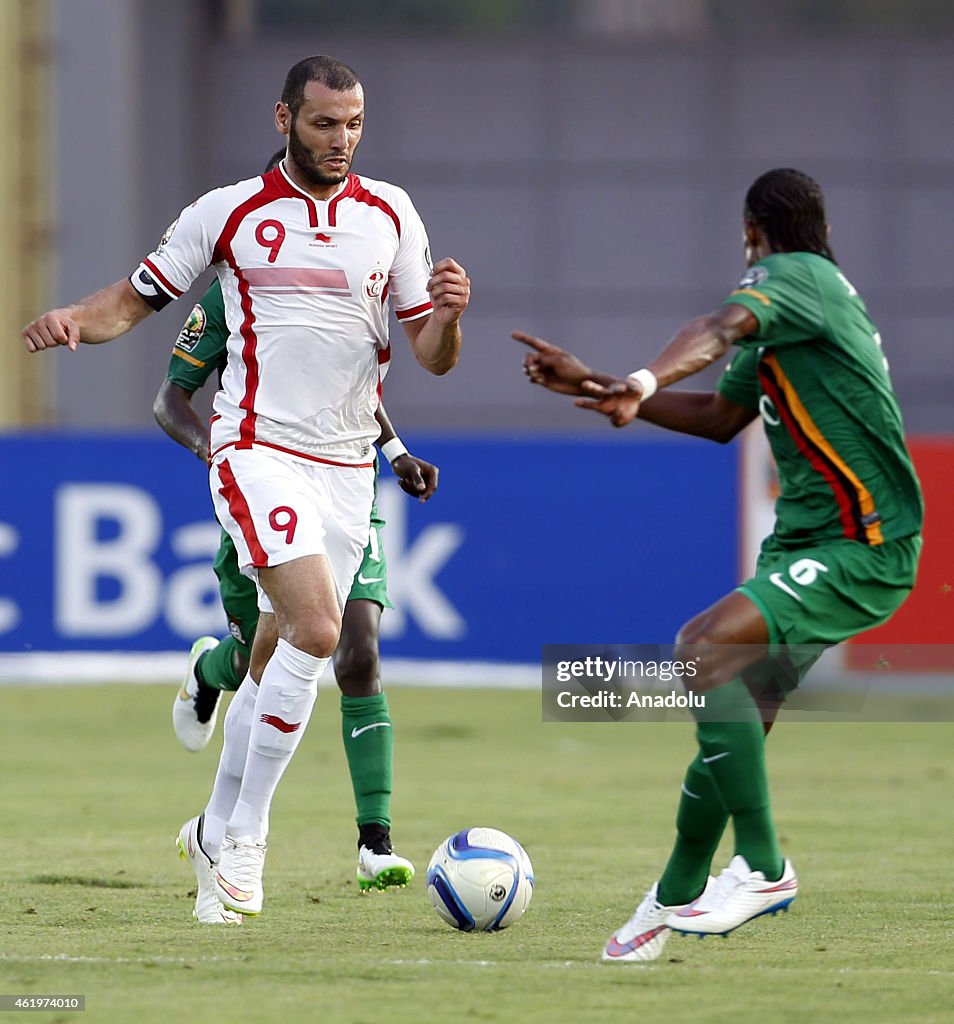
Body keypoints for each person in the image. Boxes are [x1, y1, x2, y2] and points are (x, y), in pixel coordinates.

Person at [23, 54, 470, 925]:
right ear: (283, 119)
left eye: (354, 125)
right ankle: (248, 840)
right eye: (324, 124)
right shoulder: (227, 213)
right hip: (255, 446)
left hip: (348, 465)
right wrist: (79, 319)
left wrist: (450, 317)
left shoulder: (390, 216)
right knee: (319, 628)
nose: (341, 140)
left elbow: (430, 355)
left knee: (272, 661)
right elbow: (134, 297)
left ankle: (211, 828)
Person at [516, 167, 922, 962]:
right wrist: (604, 384)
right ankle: (672, 896)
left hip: (863, 543)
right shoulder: (801, 311)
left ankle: (765, 870)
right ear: (826, 227)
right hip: (810, 543)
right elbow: (721, 416)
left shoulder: (796, 279)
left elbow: (720, 324)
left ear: (751, 235)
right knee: (734, 727)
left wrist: (637, 379)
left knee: (701, 648)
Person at [153, 176, 440, 913]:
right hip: (259, 471)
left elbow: (346, 384)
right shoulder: (230, 292)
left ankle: (363, 841)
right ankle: (225, 780)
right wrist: (223, 455)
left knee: (348, 647)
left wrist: (396, 448)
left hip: (344, 476)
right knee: (266, 647)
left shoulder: (353, 264)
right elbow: (170, 400)